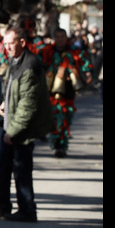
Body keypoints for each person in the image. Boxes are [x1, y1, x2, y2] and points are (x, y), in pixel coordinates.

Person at [0, 27, 52, 223]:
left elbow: (28, 104)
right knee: (2, 167)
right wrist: (5, 103)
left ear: (22, 42)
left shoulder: (30, 65)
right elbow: (14, 90)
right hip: (10, 125)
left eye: (10, 44)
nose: (7, 48)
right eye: (5, 44)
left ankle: (27, 210)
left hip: (21, 129)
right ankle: (2, 206)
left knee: (21, 171)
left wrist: (12, 131)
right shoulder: (16, 62)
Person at [40, 28, 92, 158]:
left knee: (65, 116)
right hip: (52, 90)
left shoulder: (74, 51)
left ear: (66, 38)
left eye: (62, 36)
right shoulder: (47, 51)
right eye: (57, 36)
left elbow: (85, 63)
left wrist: (87, 73)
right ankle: (58, 145)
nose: (60, 39)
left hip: (68, 89)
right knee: (56, 116)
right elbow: (38, 65)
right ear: (54, 38)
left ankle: (62, 144)